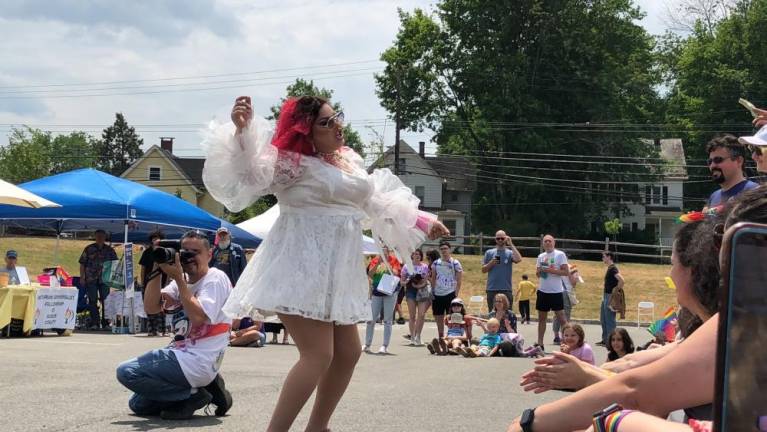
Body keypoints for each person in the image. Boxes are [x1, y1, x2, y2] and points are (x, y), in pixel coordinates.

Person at [201, 95, 449, 432]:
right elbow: (250, 174)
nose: (337, 127)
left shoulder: (347, 161)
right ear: (305, 131)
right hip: (300, 264)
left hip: (337, 268)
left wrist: (421, 221)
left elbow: (377, 199)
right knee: (318, 355)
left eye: (337, 118)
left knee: (349, 352)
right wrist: (243, 133)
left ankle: (317, 427)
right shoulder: (292, 163)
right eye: (326, 123)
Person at [508, 188, 767, 432]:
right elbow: (638, 373)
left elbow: (639, 392)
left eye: (726, 237)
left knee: (616, 422)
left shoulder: (748, 325)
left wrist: (528, 422)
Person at [520, 217, 721, 395]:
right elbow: (630, 362)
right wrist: (592, 371)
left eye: (672, 264)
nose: (669, 274)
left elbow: (643, 392)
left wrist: (586, 376)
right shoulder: (702, 330)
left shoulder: (716, 340)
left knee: (604, 320)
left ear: (693, 272)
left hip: (600, 296)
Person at [115, 231, 234, 420]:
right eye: (184, 252)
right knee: (137, 404)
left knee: (126, 372)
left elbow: (199, 318)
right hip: (184, 357)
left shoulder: (215, 278)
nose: (189, 257)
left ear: (209, 254)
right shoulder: (182, 282)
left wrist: (178, 278)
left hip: (197, 359)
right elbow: (151, 307)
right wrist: (157, 266)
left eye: (195, 252)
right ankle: (205, 387)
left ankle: (194, 394)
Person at [704, 134, 759, 212]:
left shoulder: (755, 192)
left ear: (739, 161)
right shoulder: (713, 197)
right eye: (710, 161)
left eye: (718, 160)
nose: (712, 165)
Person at [363, 246, 402, 354]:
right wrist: (378, 263)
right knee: (371, 319)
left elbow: (395, 273)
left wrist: (386, 263)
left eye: (385, 248)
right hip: (377, 292)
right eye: (382, 248)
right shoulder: (375, 260)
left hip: (390, 292)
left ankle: (384, 346)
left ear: (389, 250)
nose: (384, 250)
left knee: (387, 320)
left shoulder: (394, 260)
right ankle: (367, 344)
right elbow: (370, 274)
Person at [534, 234, 569, 348]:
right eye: (545, 241)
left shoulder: (560, 255)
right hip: (543, 291)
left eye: (550, 241)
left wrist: (551, 270)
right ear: (543, 244)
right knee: (541, 319)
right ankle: (540, 343)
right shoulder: (541, 256)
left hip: (556, 291)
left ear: (554, 242)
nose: (548, 243)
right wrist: (540, 272)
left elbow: (565, 272)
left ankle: (566, 342)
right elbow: (538, 274)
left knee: (562, 319)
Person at [79, 229, 117, 330]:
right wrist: (82, 277)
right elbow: (82, 264)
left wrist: (113, 278)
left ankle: (105, 323)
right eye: (98, 236)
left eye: (102, 236)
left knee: (106, 301)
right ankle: (94, 323)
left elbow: (115, 265)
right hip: (91, 279)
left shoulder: (110, 250)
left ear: (105, 237)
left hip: (105, 280)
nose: (100, 238)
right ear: (95, 237)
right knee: (92, 301)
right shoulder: (88, 249)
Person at [481, 230, 522, 311]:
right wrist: (491, 263)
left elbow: (518, 259)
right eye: (498, 238)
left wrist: (511, 244)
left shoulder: (509, 253)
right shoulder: (489, 252)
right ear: (495, 240)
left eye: (502, 238)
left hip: (506, 288)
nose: (500, 240)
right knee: (492, 314)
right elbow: (483, 270)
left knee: (507, 314)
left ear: (505, 239)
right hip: (492, 289)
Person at [430, 241, 463, 339]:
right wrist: (433, 290)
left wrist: (456, 293)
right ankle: (441, 336)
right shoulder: (436, 263)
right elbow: (433, 277)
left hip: (450, 292)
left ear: (449, 249)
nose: (444, 250)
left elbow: (459, 279)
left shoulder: (455, 263)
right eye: (442, 249)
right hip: (438, 293)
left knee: (451, 316)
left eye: (445, 248)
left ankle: (451, 335)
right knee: (438, 316)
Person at [400, 248, 430, 346]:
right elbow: (402, 282)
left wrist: (419, 285)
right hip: (410, 291)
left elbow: (426, 281)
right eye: (415, 254)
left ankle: (418, 336)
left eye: (418, 254)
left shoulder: (425, 266)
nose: (417, 256)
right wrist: (408, 282)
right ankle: (412, 336)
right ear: (412, 256)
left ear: (421, 256)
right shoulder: (406, 266)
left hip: (421, 290)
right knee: (412, 316)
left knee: (421, 314)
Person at [139, 230, 166, 336]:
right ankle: (151, 329)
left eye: (158, 238)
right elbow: (143, 268)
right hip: (148, 282)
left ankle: (162, 329)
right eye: (154, 239)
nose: (156, 240)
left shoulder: (165, 252)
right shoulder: (147, 252)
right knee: (149, 306)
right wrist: (142, 282)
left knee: (162, 306)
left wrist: (167, 282)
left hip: (162, 282)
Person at [599, 252, 624, 347]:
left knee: (609, 320)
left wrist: (616, 291)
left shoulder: (613, 268)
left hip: (610, 296)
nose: (602, 258)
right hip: (605, 295)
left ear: (609, 257)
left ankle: (612, 341)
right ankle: (605, 339)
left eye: (604, 257)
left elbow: (622, 280)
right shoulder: (609, 268)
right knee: (603, 319)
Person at [552, 263, 579, 343]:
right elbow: (573, 283)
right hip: (565, 293)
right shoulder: (571, 268)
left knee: (557, 315)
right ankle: (564, 337)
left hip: (555, 292)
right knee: (565, 315)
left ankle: (556, 336)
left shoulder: (555, 266)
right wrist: (572, 274)